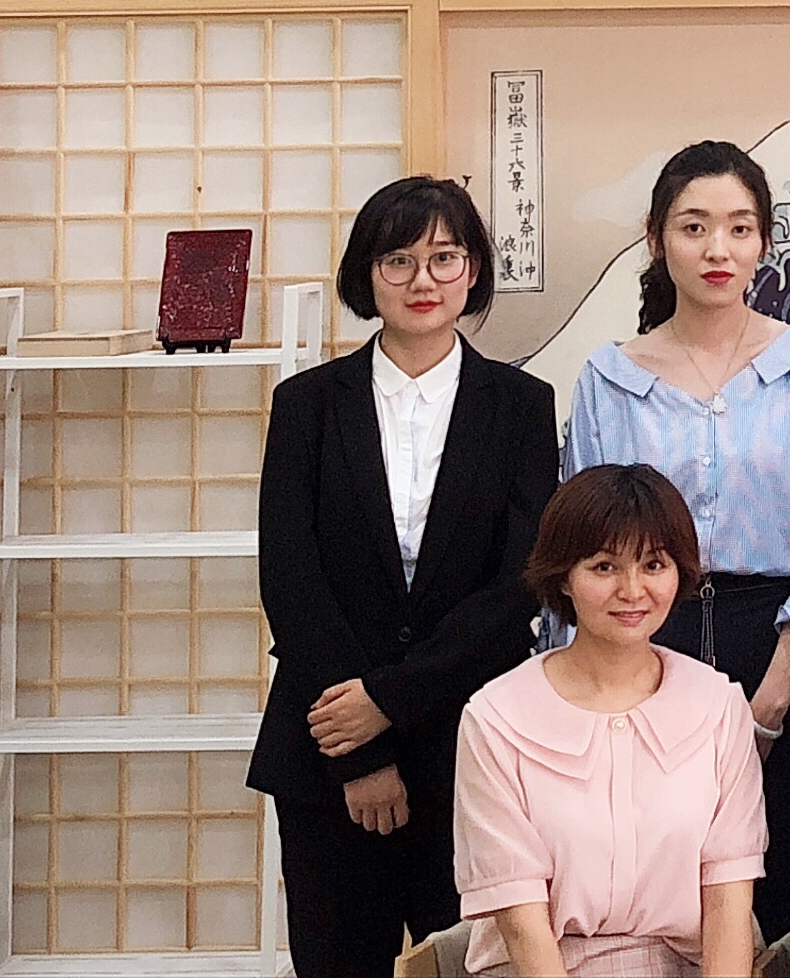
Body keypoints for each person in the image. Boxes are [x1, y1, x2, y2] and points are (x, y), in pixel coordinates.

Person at [249, 177, 559, 978]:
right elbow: (290, 577)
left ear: (473, 270)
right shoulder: (308, 404)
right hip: (326, 746)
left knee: (471, 964)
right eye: (399, 260)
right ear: (367, 273)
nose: (424, 280)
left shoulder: (522, 405)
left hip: (472, 745)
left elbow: (520, 582)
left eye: (444, 258)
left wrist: (386, 701)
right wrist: (360, 753)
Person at [563, 140, 790, 941]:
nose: (717, 249)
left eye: (738, 227)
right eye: (693, 227)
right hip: (640, 638)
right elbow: (581, 544)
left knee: (783, 886)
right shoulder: (610, 377)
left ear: (764, 240)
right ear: (657, 240)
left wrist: (770, 704)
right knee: (653, 883)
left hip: (777, 641)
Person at [453, 464, 766, 977]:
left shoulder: (720, 706)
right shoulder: (495, 719)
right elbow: (522, 925)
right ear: (564, 577)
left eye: (654, 564)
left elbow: (729, 899)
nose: (633, 590)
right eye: (604, 567)